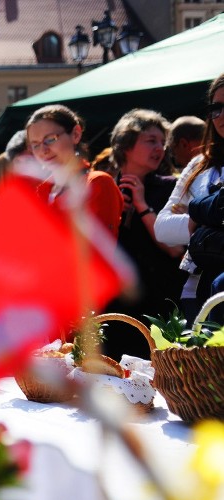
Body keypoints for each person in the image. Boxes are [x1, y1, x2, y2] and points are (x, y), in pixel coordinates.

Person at [108, 109, 186, 357]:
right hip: (113, 304)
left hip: (157, 302)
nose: (159, 148)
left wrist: (142, 206)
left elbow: (175, 249)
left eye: (163, 142)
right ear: (125, 144)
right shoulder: (104, 185)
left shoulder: (170, 187)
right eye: (151, 140)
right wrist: (114, 214)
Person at [155, 73, 224, 322]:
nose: (222, 115)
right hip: (197, 291)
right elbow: (161, 227)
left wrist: (194, 214)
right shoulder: (199, 164)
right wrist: (205, 217)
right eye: (216, 108)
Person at [25, 104, 123, 239]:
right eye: (35, 145)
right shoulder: (40, 191)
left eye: (50, 139)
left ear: (76, 134)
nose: (43, 150)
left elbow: (97, 252)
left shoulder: (97, 183)